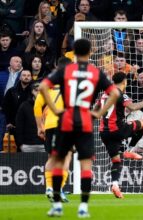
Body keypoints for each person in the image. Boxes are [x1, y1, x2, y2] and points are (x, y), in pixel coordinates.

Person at [39, 38, 120, 218]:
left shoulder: (65, 70)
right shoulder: (95, 72)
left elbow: (43, 87)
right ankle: (83, 206)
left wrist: (54, 109)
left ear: (73, 52)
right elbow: (114, 93)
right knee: (85, 165)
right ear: (90, 52)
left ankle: (57, 206)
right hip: (84, 120)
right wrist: (99, 113)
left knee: (60, 161)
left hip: (66, 118)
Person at [95, 72, 143, 199]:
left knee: (116, 160)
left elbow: (96, 111)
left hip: (104, 132)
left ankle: (115, 185)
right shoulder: (120, 94)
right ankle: (130, 150)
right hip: (117, 129)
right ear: (125, 81)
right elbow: (133, 107)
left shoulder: (104, 95)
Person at [34, 57, 72, 203]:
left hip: (50, 125)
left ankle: (50, 188)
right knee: (66, 158)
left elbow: (37, 106)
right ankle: (58, 189)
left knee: (52, 158)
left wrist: (39, 126)